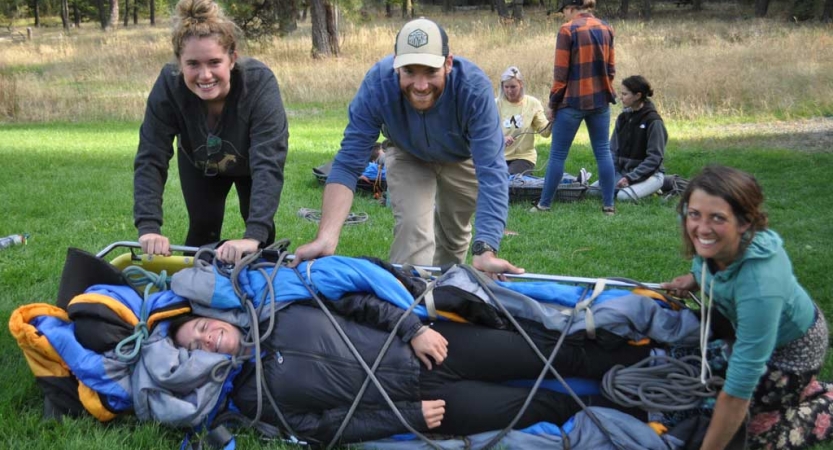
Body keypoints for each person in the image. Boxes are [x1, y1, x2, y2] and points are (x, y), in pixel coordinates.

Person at [171, 293, 651, 444]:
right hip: (425, 406)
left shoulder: (283, 308)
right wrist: (407, 419)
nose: (207, 337)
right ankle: (648, 418)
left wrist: (411, 330)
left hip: (436, 348)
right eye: (196, 345)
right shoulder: (252, 400)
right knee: (543, 406)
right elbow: (323, 429)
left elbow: (359, 303)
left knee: (548, 354)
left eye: (203, 326)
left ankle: (648, 364)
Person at [291, 18, 523, 278]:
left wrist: (486, 249)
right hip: (407, 153)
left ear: (448, 63)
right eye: (410, 71)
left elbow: (492, 170)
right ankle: (407, 305)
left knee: (454, 236)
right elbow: (347, 163)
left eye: (430, 72)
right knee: (413, 232)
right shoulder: (377, 85)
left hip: (461, 157)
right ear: (395, 65)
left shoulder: (473, 89)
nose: (421, 85)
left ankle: (446, 293)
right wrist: (326, 237)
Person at [661, 165, 833, 450]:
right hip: (745, 328)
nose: (701, 228)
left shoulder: (760, 285)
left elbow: (738, 391)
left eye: (717, 218)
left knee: (744, 435)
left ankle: (821, 401)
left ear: (744, 222)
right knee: (687, 376)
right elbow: (709, 262)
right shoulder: (715, 244)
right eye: (694, 214)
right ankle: (799, 391)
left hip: (791, 355)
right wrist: (694, 279)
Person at [133, 0, 289, 264]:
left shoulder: (259, 84)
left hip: (253, 164)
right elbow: (151, 157)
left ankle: (268, 287)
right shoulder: (169, 87)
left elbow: (268, 162)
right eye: (193, 64)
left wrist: (253, 236)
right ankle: (191, 295)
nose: (205, 75)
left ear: (232, 59)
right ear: (180, 64)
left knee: (260, 238)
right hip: (200, 161)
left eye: (214, 62)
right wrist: (148, 227)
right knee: (202, 227)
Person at [531, 0, 616, 215]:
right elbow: (611, 69)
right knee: (603, 152)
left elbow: (561, 73)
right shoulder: (607, 28)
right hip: (600, 100)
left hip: (572, 101)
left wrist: (553, 104)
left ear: (570, 8)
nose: (564, 16)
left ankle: (544, 204)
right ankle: (608, 205)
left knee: (558, 154)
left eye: (564, 12)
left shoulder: (567, 30)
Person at [589, 75, 667, 202]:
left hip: (650, 175)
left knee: (622, 197)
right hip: (623, 173)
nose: (621, 97)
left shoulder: (654, 121)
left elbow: (655, 158)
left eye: (625, 94)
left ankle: (659, 186)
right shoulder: (622, 118)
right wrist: (610, 174)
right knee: (591, 192)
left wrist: (630, 178)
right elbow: (612, 150)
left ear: (637, 95)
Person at [495, 66, 551, 176]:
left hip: (524, 157)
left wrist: (553, 120)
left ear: (521, 85)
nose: (509, 91)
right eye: (506, 87)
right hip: (498, 156)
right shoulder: (495, 104)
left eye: (513, 87)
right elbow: (485, 132)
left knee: (509, 181)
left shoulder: (532, 103)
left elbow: (545, 132)